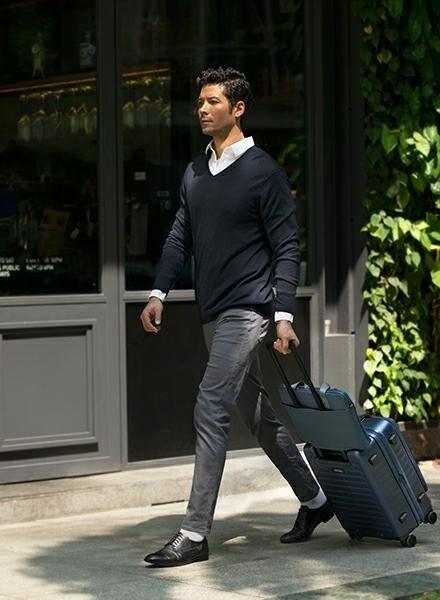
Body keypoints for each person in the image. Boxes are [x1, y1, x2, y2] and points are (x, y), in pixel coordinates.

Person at [139, 67, 333, 567]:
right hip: (213, 310)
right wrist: (159, 290)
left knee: (210, 405)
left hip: (249, 310)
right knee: (259, 417)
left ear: (238, 108)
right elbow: (179, 237)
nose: (202, 109)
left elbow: (287, 247)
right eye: (200, 102)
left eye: (213, 102)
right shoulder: (195, 172)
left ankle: (194, 533)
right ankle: (316, 500)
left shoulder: (264, 172)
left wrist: (283, 315)